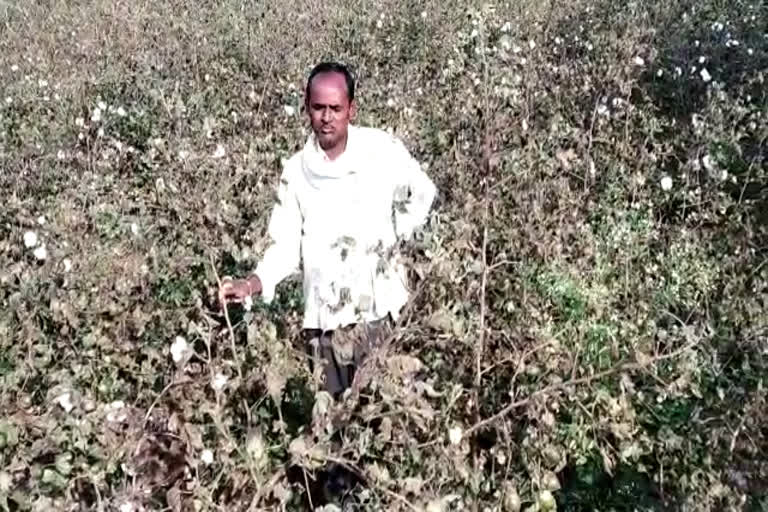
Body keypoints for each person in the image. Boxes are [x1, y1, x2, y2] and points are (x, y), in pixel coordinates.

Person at [219, 61, 436, 398]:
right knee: (333, 422)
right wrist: (253, 282)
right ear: (306, 108)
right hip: (323, 323)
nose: (327, 117)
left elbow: (421, 193)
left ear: (351, 109)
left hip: (378, 315)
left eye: (335, 108)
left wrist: (398, 243)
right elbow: (285, 244)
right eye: (318, 107)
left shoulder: (381, 152)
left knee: (386, 416)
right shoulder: (296, 171)